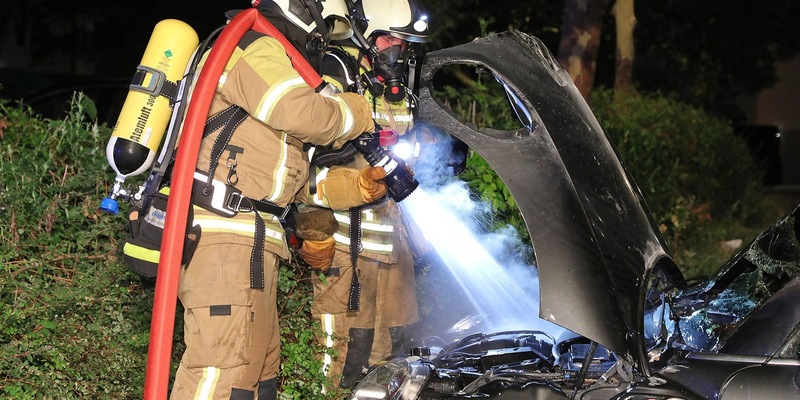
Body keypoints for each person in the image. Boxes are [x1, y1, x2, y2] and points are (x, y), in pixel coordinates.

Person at [169, 1, 388, 399]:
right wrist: (356, 111)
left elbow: (290, 183)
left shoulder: (274, 64)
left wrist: (357, 187)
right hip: (224, 237)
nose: (321, 42)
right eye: (326, 28)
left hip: (252, 239)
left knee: (257, 376)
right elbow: (302, 112)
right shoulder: (254, 46)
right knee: (222, 370)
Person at [294, 0, 431, 390]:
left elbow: (411, 151)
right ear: (366, 35)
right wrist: (314, 230)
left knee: (393, 364)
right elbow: (307, 165)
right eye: (390, 38)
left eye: (404, 43)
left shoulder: (401, 89)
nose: (398, 50)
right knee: (339, 364)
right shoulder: (336, 74)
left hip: (393, 251)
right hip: (347, 247)